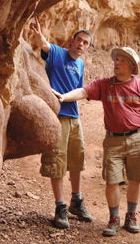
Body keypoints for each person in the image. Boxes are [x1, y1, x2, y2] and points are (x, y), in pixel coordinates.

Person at [53, 46, 140, 237]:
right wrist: (64, 97)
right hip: (113, 141)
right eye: (116, 59)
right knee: (112, 181)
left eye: (122, 60)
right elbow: (83, 92)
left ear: (132, 65)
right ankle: (114, 218)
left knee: (135, 180)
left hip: (137, 138)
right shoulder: (104, 84)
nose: (116, 63)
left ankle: (131, 216)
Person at [30, 18, 93, 228]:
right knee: (57, 161)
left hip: (74, 117)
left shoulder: (80, 63)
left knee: (77, 159)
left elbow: (79, 89)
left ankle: (77, 201)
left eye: (85, 43)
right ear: (72, 41)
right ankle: (60, 207)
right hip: (56, 116)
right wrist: (39, 37)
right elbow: (43, 44)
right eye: (79, 40)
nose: (81, 45)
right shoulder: (57, 53)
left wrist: (70, 98)